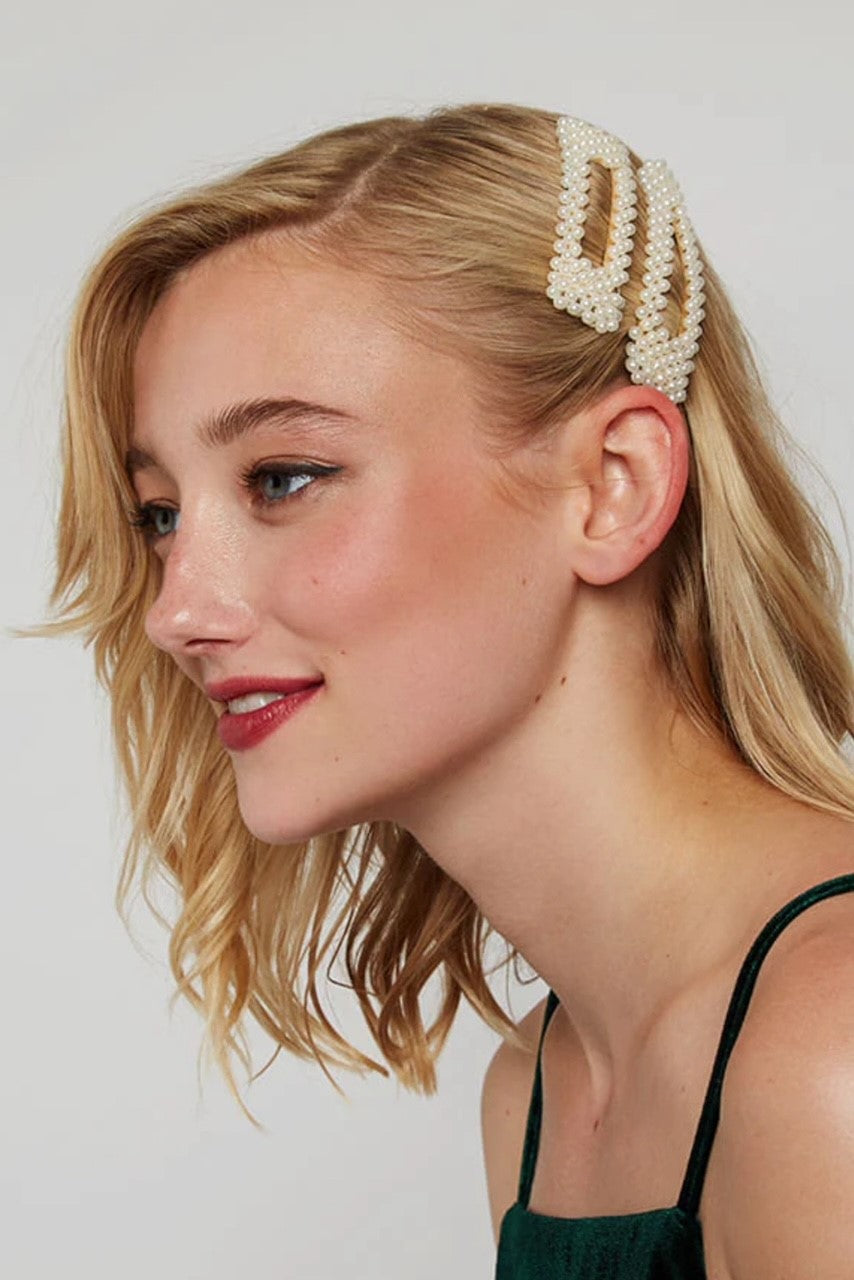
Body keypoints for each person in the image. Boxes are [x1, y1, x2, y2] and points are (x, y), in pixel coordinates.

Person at [31, 103, 854, 1277]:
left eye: (282, 477)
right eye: (160, 513)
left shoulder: (826, 1052)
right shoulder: (534, 1091)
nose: (175, 609)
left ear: (611, 485)